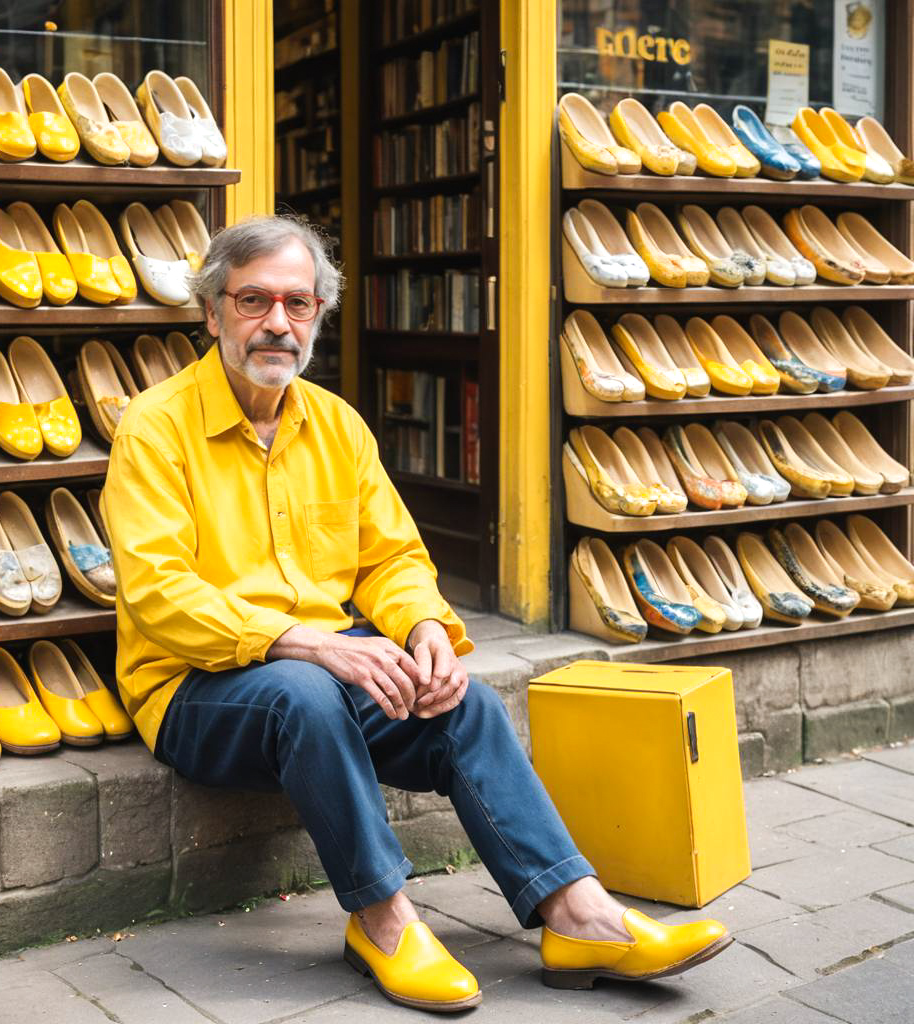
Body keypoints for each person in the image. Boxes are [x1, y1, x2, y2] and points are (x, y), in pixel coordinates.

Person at [101, 215, 732, 1013]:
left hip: (323, 678)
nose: (277, 323)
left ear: (320, 315)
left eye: (298, 304)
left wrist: (425, 630)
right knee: (309, 689)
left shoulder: (336, 426)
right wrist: (311, 645)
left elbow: (391, 560)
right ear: (212, 311)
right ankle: (383, 919)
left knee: (459, 698)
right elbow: (160, 594)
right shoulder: (155, 428)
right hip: (196, 691)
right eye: (254, 300)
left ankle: (575, 913)